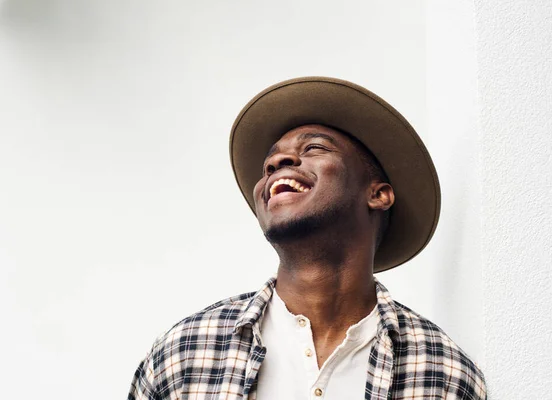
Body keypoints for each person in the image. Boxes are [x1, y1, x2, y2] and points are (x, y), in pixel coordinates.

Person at [127, 77, 487, 399]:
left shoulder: (444, 375)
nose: (276, 163)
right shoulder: (183, 354)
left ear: (378, 194)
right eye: (270, 162)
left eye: (314, 148)